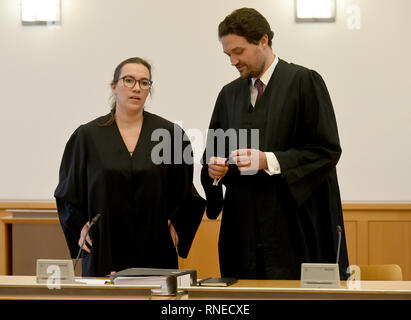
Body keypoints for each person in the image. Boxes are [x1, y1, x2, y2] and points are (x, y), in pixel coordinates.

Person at [201, 8, 349, 280]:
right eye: (228, 54)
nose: (232, 61)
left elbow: (326, 150)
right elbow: (212, 155)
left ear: (263, 41)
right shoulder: (229, 95)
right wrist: (215, 170)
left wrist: (268, 161)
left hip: (295, 228)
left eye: (239, 51)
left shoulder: (304, 82)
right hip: (243, 231)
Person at [55, 57, 205, 277]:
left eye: (144, 83)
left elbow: (185, 192)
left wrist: (177, 224)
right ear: (114, 86)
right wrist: (80, 226)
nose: (137, 88)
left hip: (154, 247)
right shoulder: (87, 136)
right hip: (105, 246)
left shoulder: (170, 135)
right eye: (129, 80)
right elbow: (67, 193)